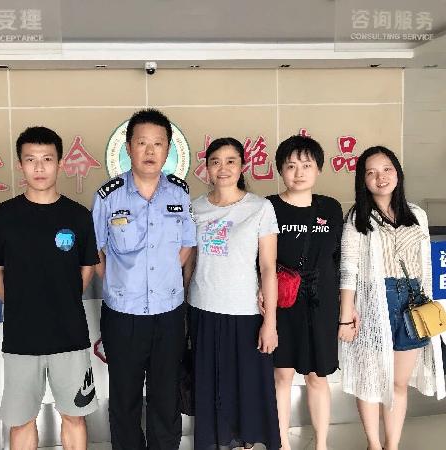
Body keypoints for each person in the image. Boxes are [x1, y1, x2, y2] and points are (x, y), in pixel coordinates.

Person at [0, 127, 100, 450]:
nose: (39, 167)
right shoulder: (2, 216)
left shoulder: (78, 216)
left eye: (47, 159)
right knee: (21, 420)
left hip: (70, 334)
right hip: (21, 337)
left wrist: (64, 299)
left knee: (74, 416)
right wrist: (20, 306)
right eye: (30, 159)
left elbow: (87, 268)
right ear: (20, 165)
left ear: (60, 164)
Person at [92, 109, 197, 450]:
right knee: (124, 397)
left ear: (167, 149)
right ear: (128, 147)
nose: (150, 151)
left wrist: (165, 275)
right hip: (123, 314)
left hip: (168, 313)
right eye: (142, 143)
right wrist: (121, 281)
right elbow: (96, 251)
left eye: (158, 144)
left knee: (166, 396)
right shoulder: (108, 196)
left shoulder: (179, 194)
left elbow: (186, 246)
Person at [339, 146, 445, 450]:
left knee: (399, 383)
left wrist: (431, 302)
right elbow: (349, 267)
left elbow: (425, 266)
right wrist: (346, 314)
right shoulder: (358, 217)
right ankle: (374, 444)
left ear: (397, 172)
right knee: (372, 381)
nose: (380, 177)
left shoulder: (417, 214)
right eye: (371, 172)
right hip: (375, 301)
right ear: (363, 180)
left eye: (386, 169)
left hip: (412, 303)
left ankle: (392, 445)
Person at [184, 137, 280, 450]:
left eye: (230, 161)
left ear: (242, 166)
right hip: (202, 309)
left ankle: (245, 442)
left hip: (245, 312)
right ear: (206, 169)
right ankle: (213, 441)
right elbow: (190, 261)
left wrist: (270, 323)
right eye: (215, 162)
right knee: (209, 384)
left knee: (245, 386)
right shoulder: (195, 207)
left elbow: (268, 267)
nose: (222, 168)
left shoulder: (260, 208)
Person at [266, 136, 343, 450]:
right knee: (282, 375)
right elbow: (259, 260)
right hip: (282, 301)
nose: (299, 173)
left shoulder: (331, 208)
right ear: (280, 170)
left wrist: (347, 308)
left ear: (318, 169)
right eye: (291, 166)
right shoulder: (269, 207)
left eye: (307, 165)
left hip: (320, 302)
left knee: (317, 376)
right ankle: (282, 443)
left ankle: (321, 444)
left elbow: (339, 259)